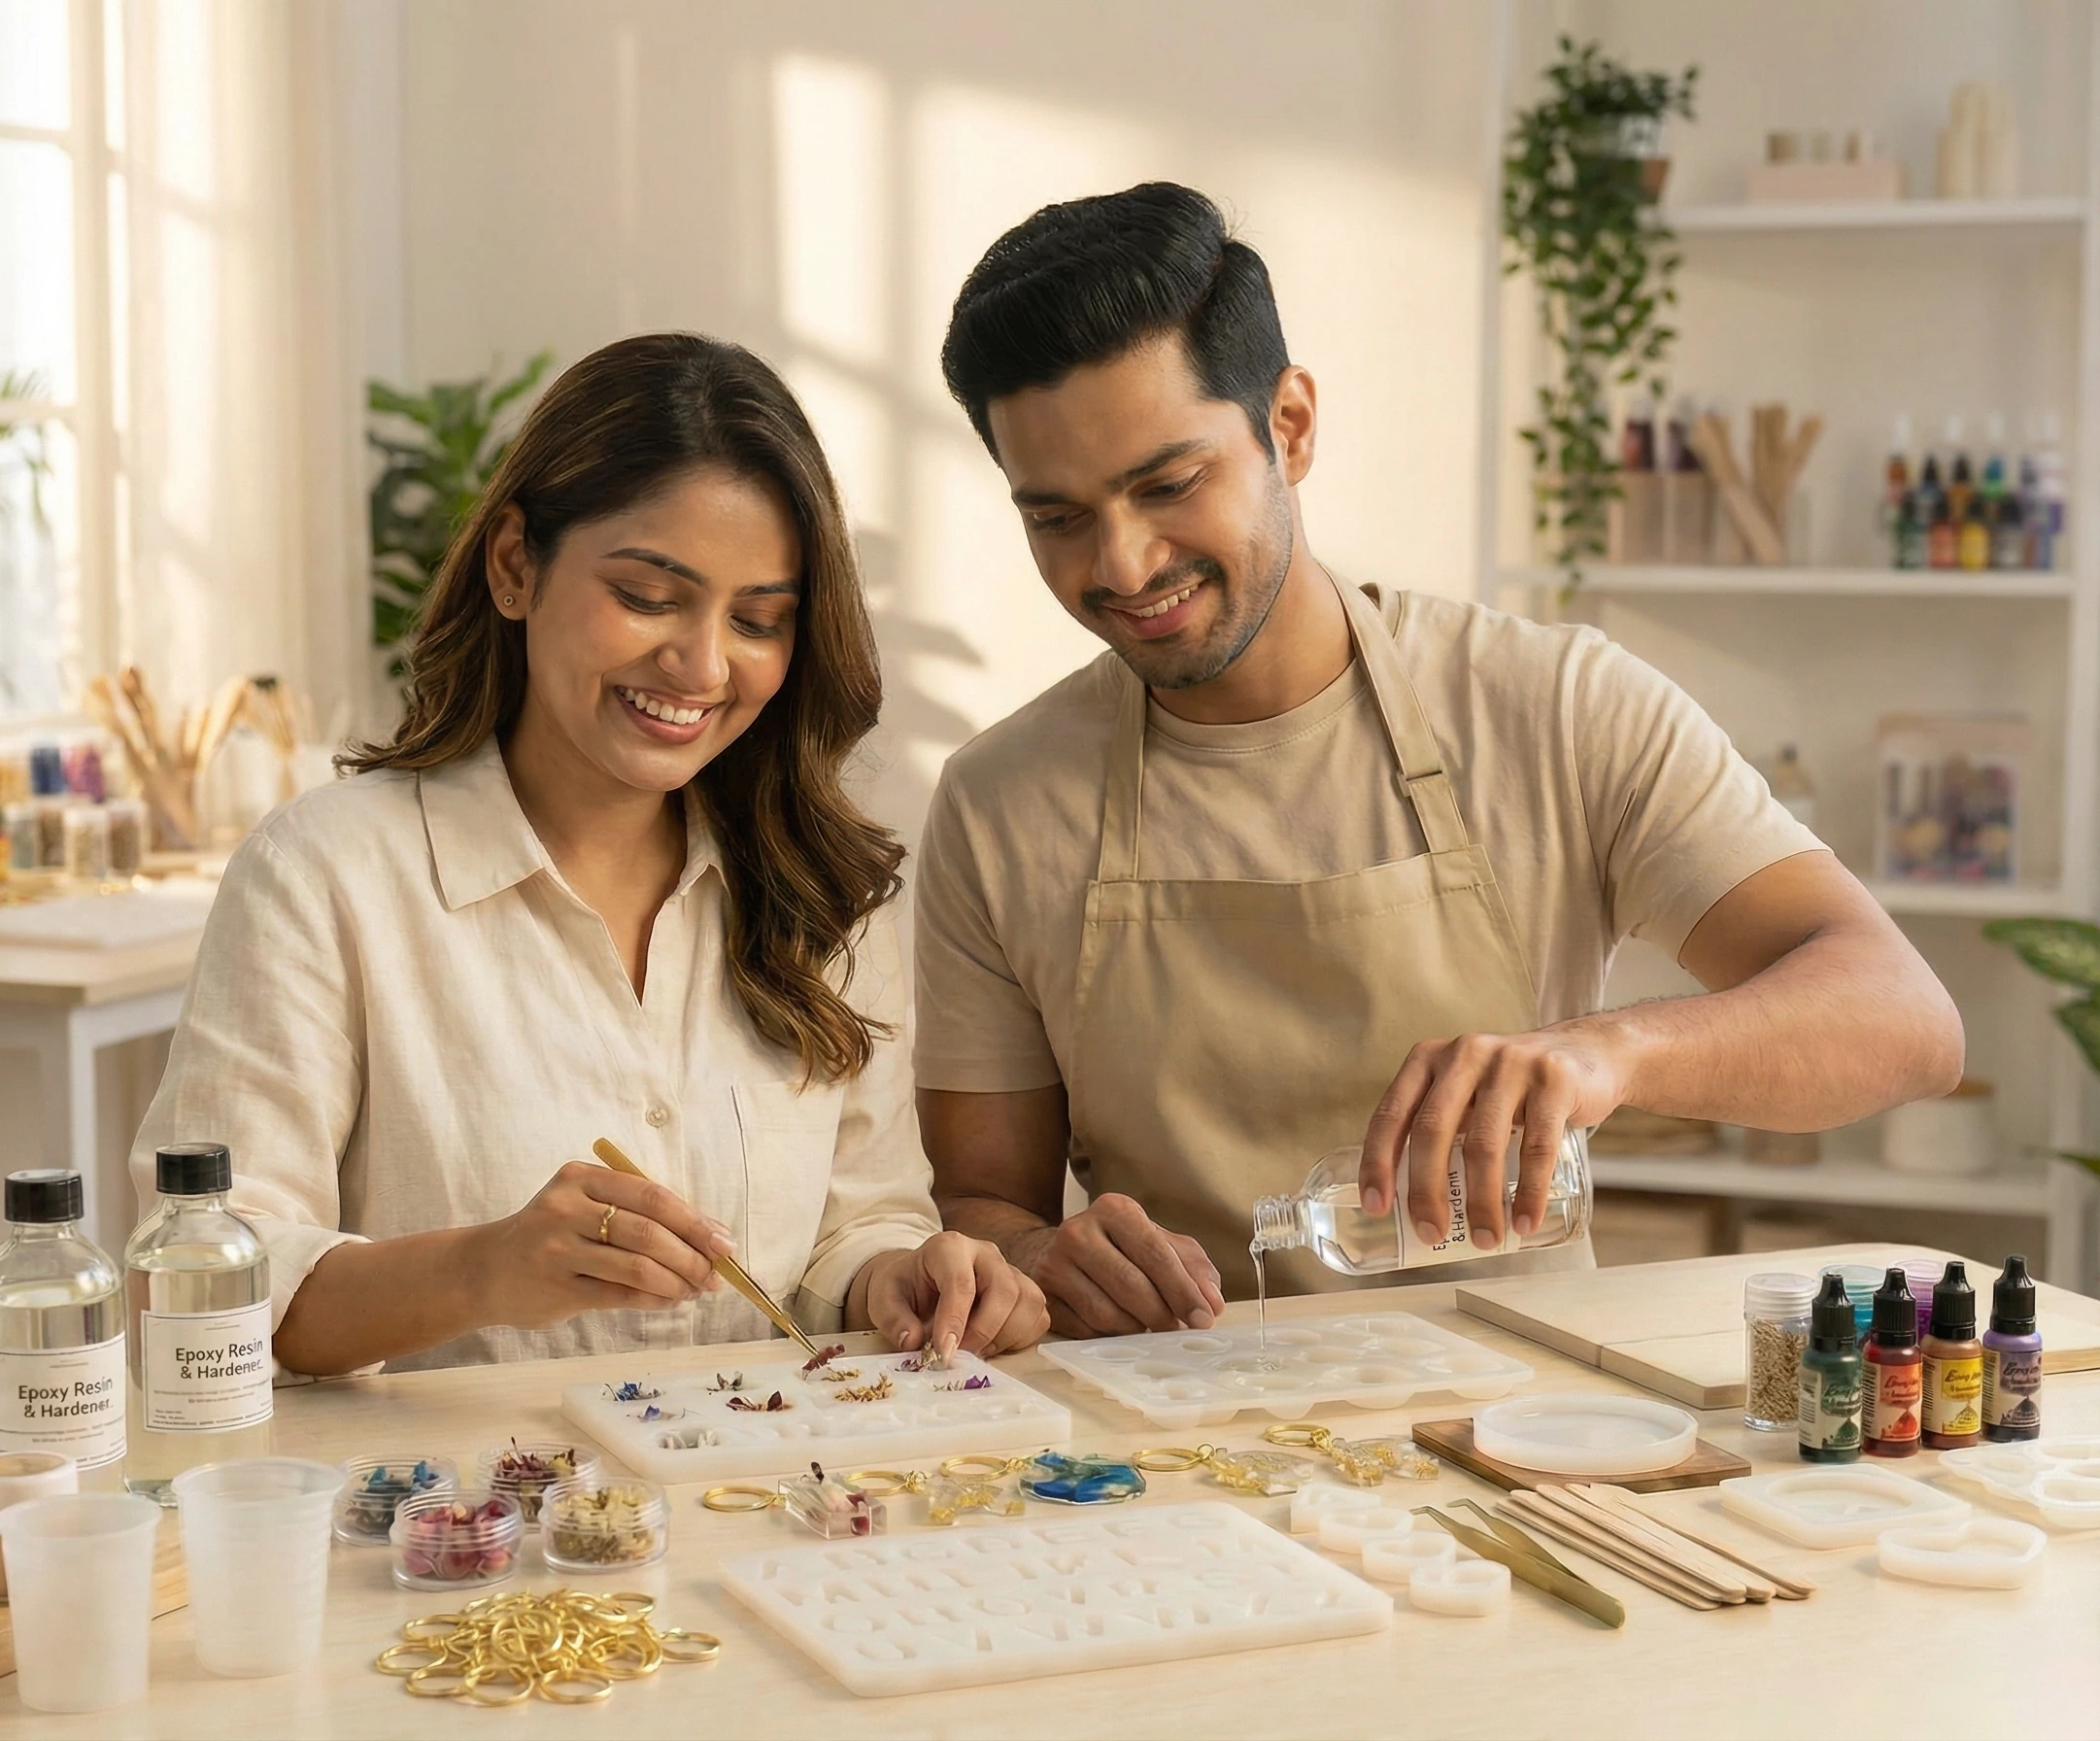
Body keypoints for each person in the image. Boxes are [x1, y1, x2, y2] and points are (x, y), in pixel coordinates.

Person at [914, 183, 1963, 1338]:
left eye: (1168, 485)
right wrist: (1033, 1251)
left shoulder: (1553, 707)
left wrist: (1613, 1051)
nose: (1121, 563)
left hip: (1523, 1404)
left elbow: (1904, 1020)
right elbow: (986, 1202)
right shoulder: (1000, 803)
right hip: (1166, 1412)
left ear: (1289, 426)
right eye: (1057, 518)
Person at [131, 333, 1045, 1376]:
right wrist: (482, 1270)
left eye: (757, 619)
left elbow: (859, 1223)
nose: (701, 666)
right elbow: (199, 1281)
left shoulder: (825, 893)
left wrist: (898, 1277)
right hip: (450, 1484)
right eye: (648, 597)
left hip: (765, 1470)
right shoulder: (323, 877)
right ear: (514, 566)